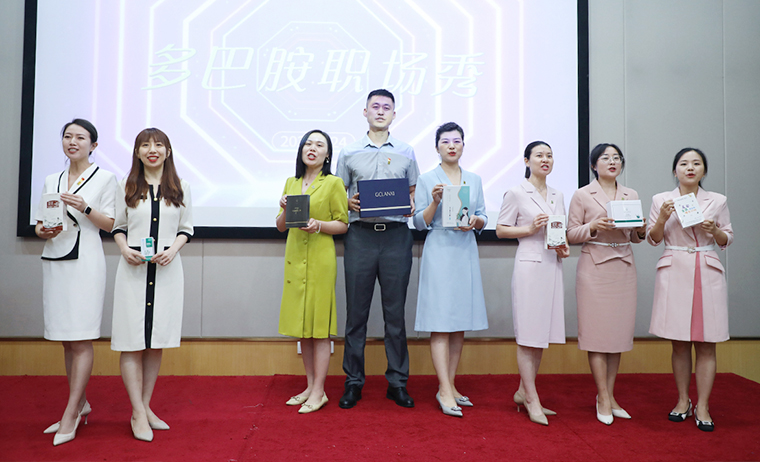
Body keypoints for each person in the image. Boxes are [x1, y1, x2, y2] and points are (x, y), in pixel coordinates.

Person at [35, 119, 118, 446]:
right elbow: (40, 224)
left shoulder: (105, 178)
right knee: (66, 339)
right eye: (67, 136)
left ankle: (70, 413)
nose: (73, 142)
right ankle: (80, 402)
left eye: (80, 138)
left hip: (85, 261)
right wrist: (43, 231)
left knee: (81, 338)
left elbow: (110, 223)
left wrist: (86, 207)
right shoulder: (51, 179)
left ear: (93, 145)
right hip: (55, 259)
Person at [335, 89, 420, 409]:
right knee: (356, 315)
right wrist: (348, 202)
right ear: (365, 112)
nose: (381, 111)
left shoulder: (407, 151)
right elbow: (338, 193)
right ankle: (353, 382)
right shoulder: (349, 152)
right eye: (375, 107)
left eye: (387, 107)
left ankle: (397, 383)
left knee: (395, 316)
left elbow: (413, 191)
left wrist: (412, 203)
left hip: (397, 237)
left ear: (394, 115)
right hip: (360, 237)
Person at [111, 128, 193, 442]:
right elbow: (119, 226)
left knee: (155, 340)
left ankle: (145, 407)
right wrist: (124, 248)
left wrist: (173, 249)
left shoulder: (181, 187)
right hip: (133, 272)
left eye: (158, 144)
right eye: (145, 145)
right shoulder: (127, 185)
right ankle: (137, 412)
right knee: (132, 340)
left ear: (168, 151)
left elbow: (186, 228)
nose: (152, 149)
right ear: (137, 152)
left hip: (167, 272)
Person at [647, 148, 732, 432]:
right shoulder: (661, 199)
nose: (690, 168)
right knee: (679, 342)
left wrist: (714, 231)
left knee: (707, 342)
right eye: (683, 164)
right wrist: (662, 218)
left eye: (696, 163)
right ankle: (683, 400)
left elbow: (727, 238)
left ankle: (703, 405)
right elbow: (652, 239)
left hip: (706, 269)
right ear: (675, 170)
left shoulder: (717, 200)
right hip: (675, 269)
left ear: (704, 170)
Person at [567, 143, 646, 425]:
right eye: (605, 158)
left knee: (617, 336)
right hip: (594, 267)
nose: (612, 162)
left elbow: (636, 237)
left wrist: (641, 228)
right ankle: (601, 396)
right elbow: (571, 234)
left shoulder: (630, 194)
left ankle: (611, 396)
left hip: (623, 265)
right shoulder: (582, 194)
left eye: (617, 158)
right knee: (597, 336)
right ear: (593, 165)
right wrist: (593, 226)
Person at [413, 122, 488, 417]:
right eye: (446, 141)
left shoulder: (474, 179)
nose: (452, 145)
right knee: (440, 320)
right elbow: (418, 222)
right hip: (440, 249)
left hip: (465, 248)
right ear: (437, 147)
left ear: (463, 146)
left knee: (459, 322)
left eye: (457, 141)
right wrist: (434, 202)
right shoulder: (426, 179)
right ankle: (443, 388)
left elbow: (482, 216)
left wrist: (476, 222)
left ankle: (451, 384)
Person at [496, 141, 569, 426]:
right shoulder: (516, 192)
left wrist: (563, 247)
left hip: (552, 264)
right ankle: (531, 398)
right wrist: (529, 228)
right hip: (528, 265)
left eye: (549, 155)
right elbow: (501, 229)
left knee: (540, 334)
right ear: (527, 161)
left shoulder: (558, 194)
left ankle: (522, 390)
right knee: (528, 334)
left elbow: (559, 231)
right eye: (539, 155)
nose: (545, 159)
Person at [276, 130, 348, 414]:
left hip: (320, 259)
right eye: (308, 143)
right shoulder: (291, 182)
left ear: (327, 154)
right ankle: (309, 386)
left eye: (320, 145)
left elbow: (343, 224)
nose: (313, 148)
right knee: (302, 329)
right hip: (295, 258)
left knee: (319, 328)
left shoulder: (334, 183)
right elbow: (281, 226)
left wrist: (319, 225)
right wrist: (284, 209)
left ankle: (319, 390)